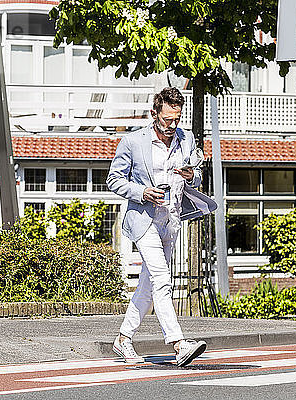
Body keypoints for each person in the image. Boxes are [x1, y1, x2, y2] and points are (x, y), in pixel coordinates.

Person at [107, 87, 217, 367]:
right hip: (144, 221)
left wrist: (192, 175)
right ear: (154, 114)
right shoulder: (133, 142)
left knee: (148, 284)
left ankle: (123, 338)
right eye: (167, 120)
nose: (172, 126)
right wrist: (142, 191)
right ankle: (179, 343)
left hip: (172, 219)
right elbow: (114, 180)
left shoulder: (186, 138)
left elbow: (196, 177)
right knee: (162, 280)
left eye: (177, 119)